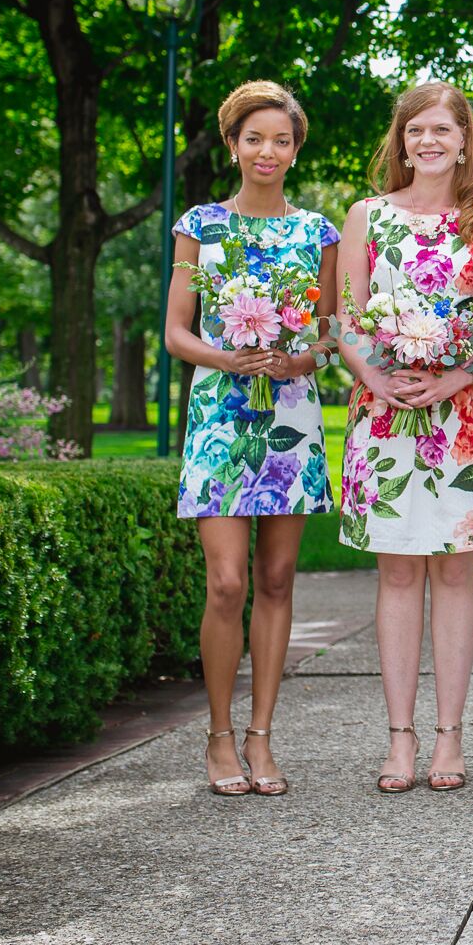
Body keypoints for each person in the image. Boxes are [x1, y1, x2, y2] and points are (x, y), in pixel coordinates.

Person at [335, 81, 473, 794]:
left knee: (455, 573)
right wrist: (376, 378)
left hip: (463, 414)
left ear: (465, 140)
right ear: (401, 140)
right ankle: (400, 738)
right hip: (384, 414)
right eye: (416, 131)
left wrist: (459, 375)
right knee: (399, 572)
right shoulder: (367, 216)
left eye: (442, 129)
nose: (428, 141)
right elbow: (346, 318)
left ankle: (450, 737)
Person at [165, 79, 339, 797]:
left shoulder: (318, 232)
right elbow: (176, 332)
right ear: (234, 143)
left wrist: (306, 356)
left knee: (275, 579)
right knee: (227, 580)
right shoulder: (199, 225)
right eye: (255, 137)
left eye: (283, 139)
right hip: (219, 418)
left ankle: (262, 736)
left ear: (296, 150)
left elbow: (330, 331)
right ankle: (218, 734)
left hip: (292, 416)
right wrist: (226, 356)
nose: (268, 150)